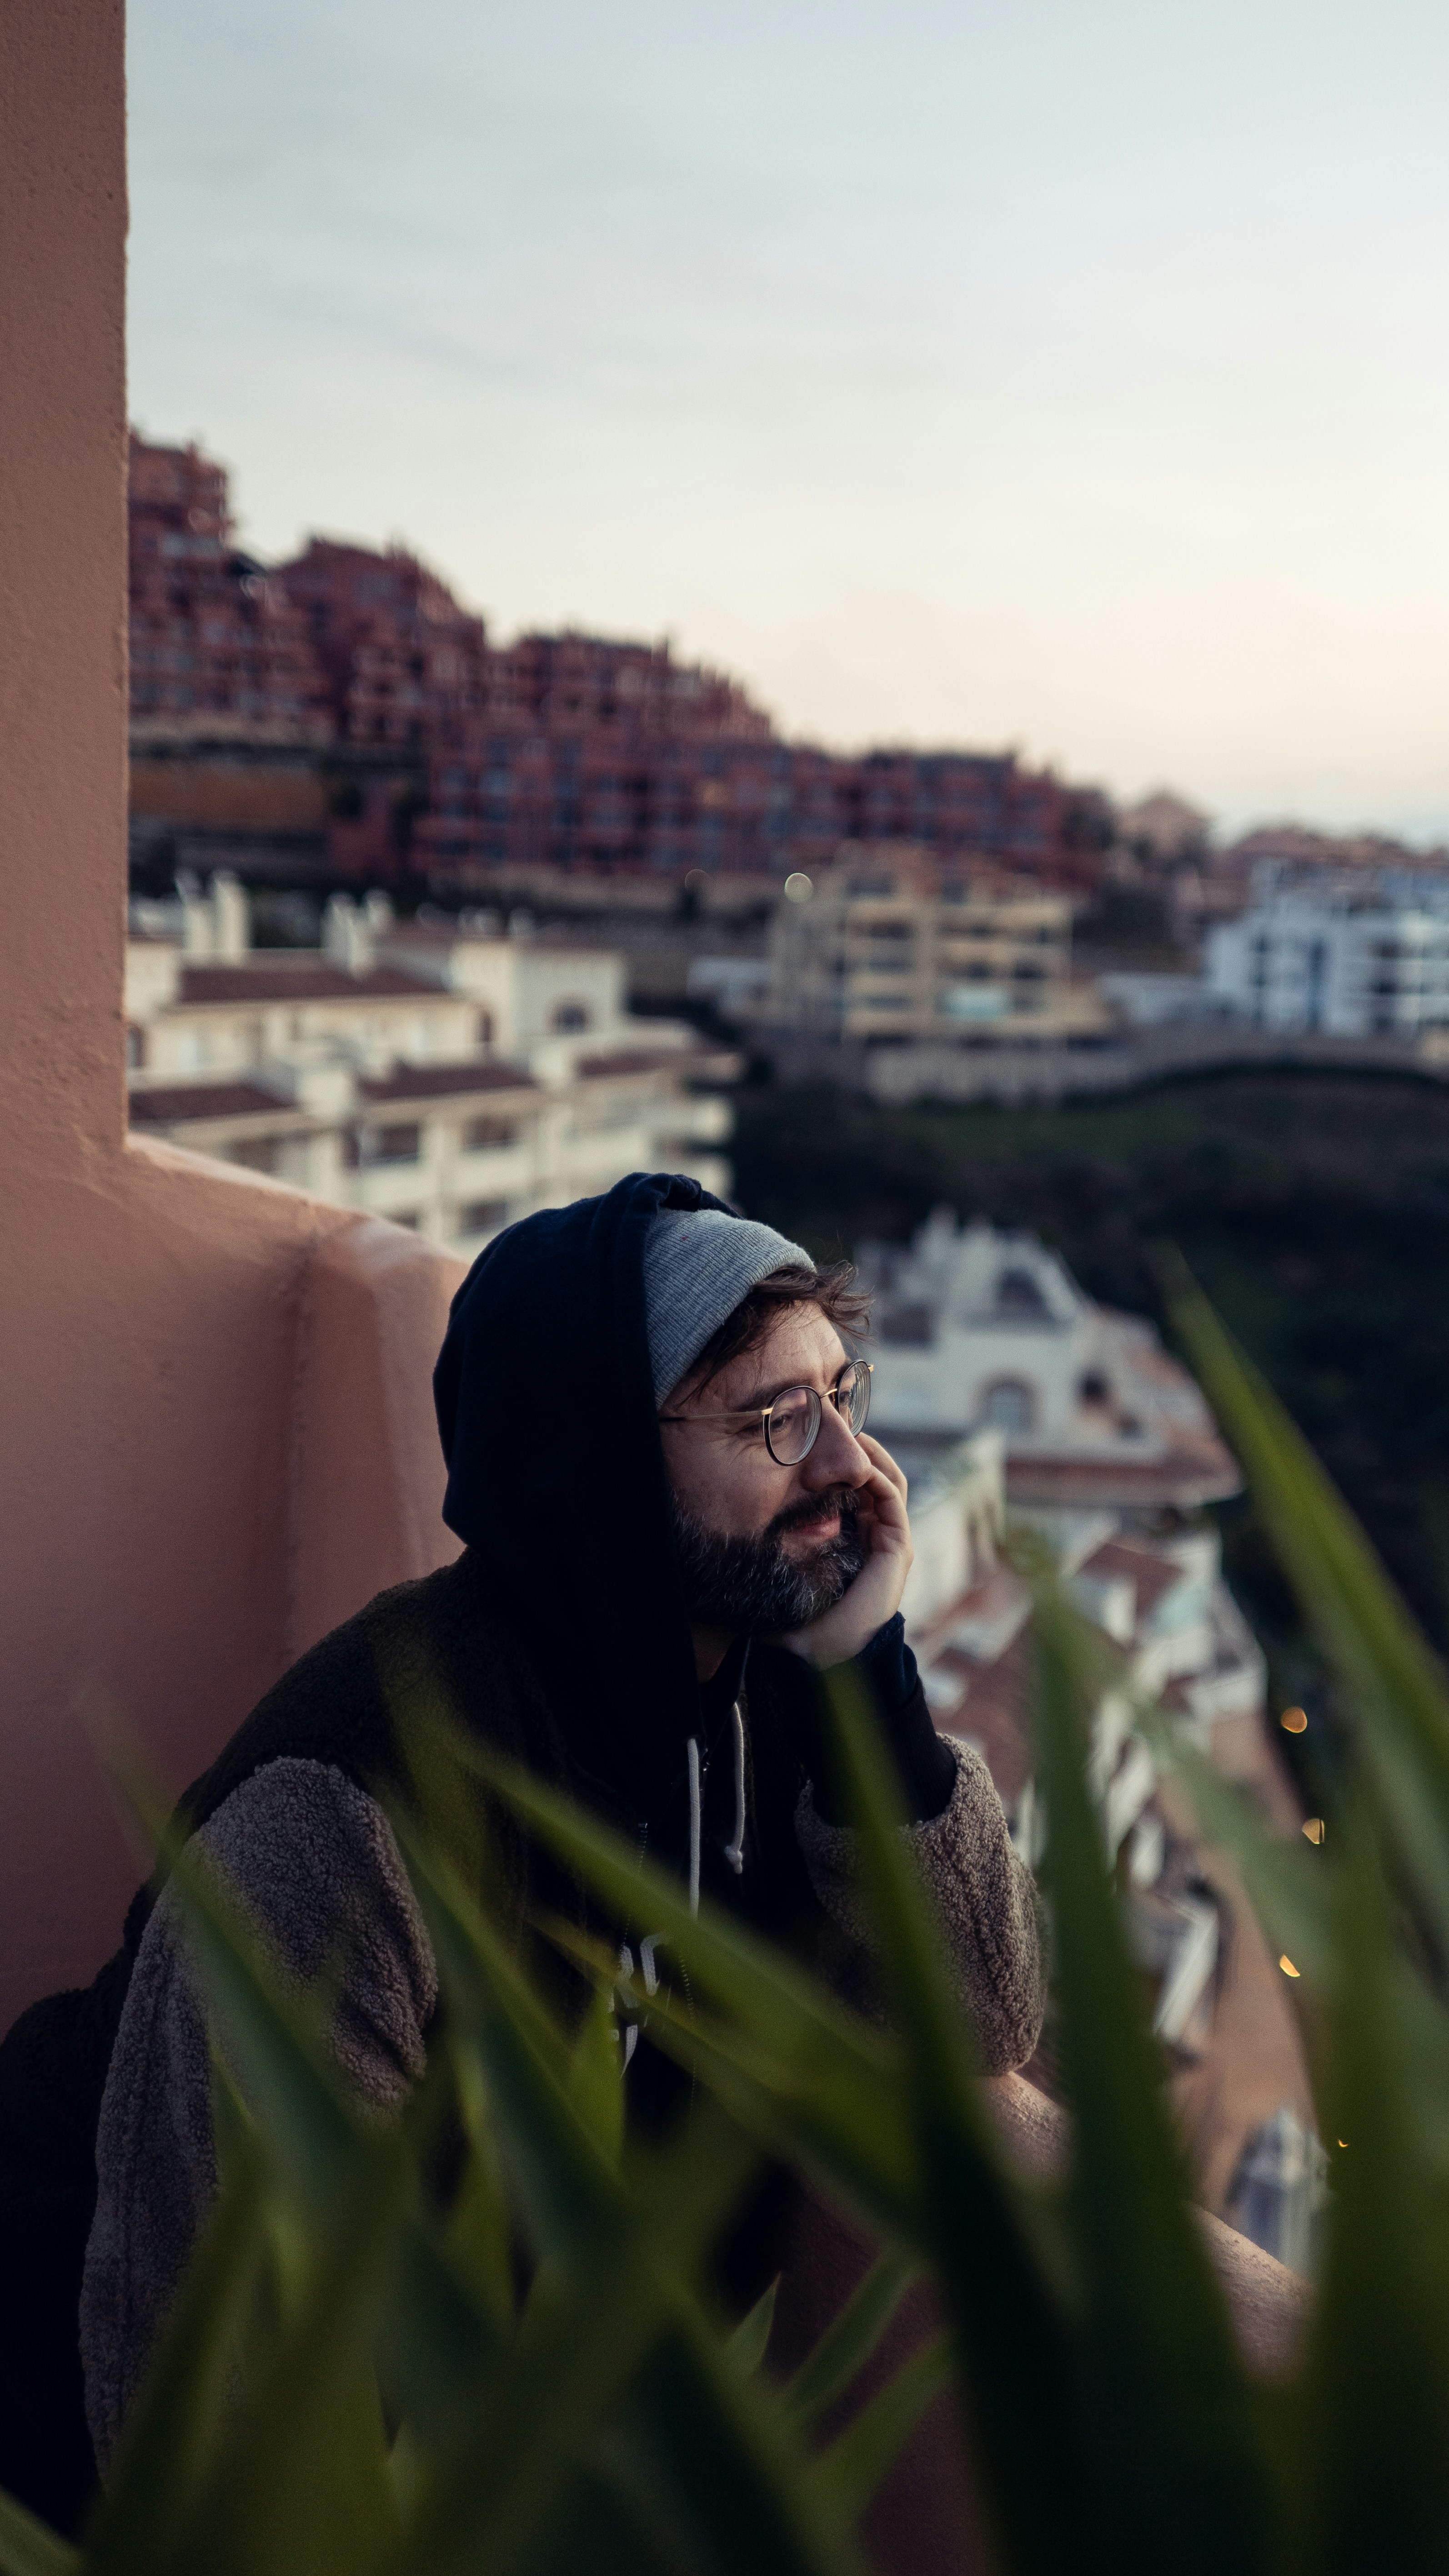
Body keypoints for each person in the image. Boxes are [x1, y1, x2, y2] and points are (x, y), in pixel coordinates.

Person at [0, 1170, 1044, 2525]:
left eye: (842, 1395)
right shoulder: (359, 1789)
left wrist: (870, 1682)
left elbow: (983, 2014)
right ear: (603, 1458)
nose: (850, 1464)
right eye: (773, 1421)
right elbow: (216, 2371)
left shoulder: (786, 1684)